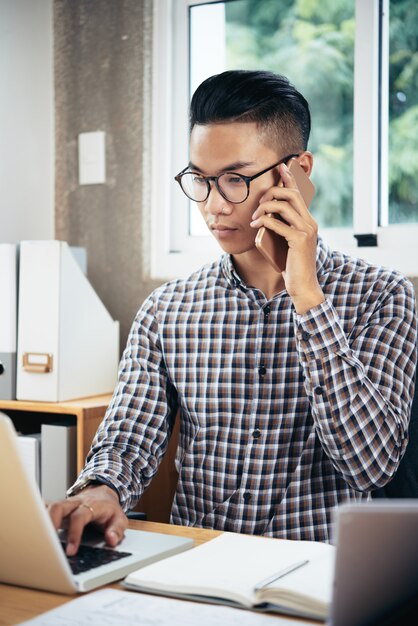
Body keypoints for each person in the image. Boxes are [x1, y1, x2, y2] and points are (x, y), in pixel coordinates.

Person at [48, 70, 417, 555]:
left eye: (235, 180)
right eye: (199, 180)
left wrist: (306, 296)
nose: (213, 206)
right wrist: (101, 489)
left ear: (298, 172)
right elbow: (127, 439)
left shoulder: (382, 296)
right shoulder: (168, 309)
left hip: (316, 576)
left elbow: (370, 464)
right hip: (197, 567)